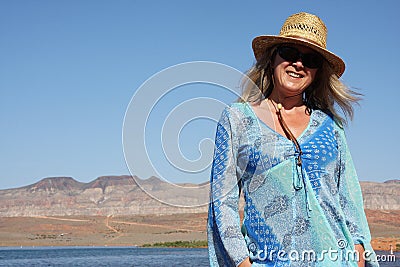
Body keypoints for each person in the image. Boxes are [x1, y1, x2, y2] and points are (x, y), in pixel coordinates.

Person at [207, 12, 379, 267]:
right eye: (289, 52)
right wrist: (243, 264)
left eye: (310, 59)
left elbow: (349, 200)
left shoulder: (331, 127)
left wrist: (358, 256)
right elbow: (222, 204)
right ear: (272, 58)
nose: (299, 64)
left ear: (318, 72)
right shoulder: (237, 119)